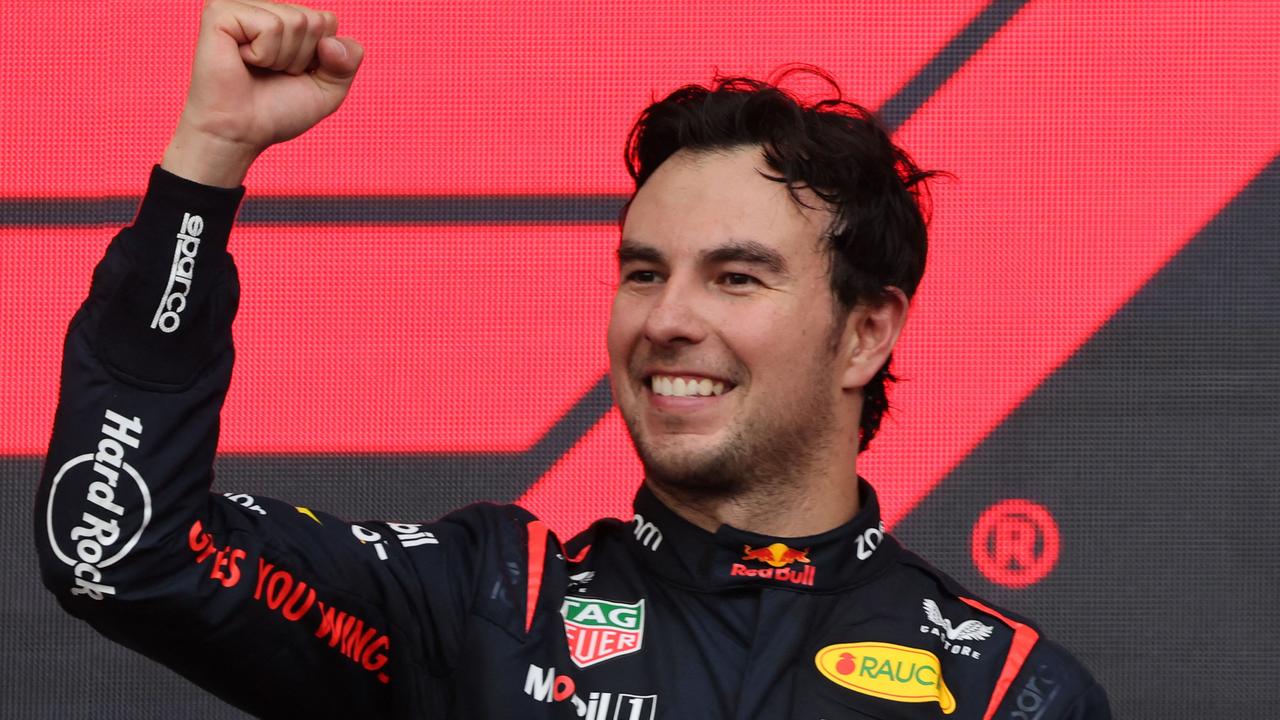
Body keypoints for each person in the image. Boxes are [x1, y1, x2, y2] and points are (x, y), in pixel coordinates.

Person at [34, 1, 1111, 718]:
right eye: (643, 272)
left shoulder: (1005, 690)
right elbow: (120, 549)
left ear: (866, 333)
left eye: (734, 278)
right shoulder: (489, 603)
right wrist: (207, 163)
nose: (666, 319)